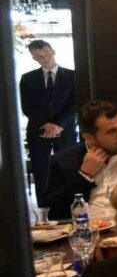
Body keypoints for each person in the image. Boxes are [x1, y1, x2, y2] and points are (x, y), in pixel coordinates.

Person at [42, 100, 117, 220]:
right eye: (112, 131)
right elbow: (53, 212)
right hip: (88, 228)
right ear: (89, 138)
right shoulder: (64, 160)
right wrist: (84, 175)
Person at [19, 39, 77, 196]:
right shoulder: (27, 79)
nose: (43, 57)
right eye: (38, 55)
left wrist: (58, 126)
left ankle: (68, 202)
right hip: (38, 131)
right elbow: (27, 107)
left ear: (53, 51)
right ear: (34, 58)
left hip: (65, 130)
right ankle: (44, 205)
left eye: (45, 53)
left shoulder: (73, 76)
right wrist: (45, 124)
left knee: (67, 167)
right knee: (41, 170)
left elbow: (74, 105)